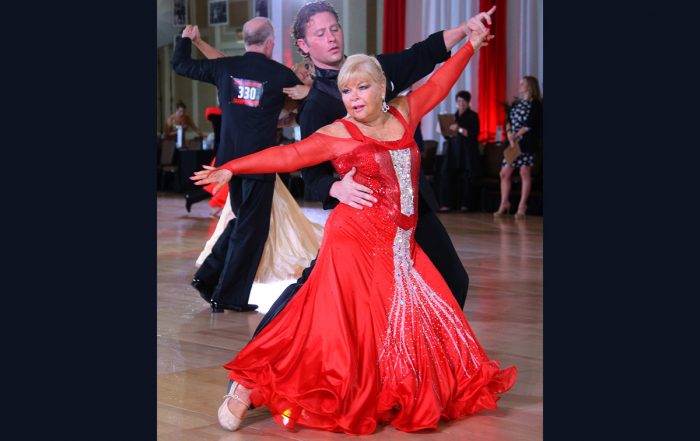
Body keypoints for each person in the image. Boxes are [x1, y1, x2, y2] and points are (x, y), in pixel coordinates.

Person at [193, 22, 516, 435]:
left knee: (406, 322)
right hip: (354, 241)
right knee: (325, 328)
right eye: (347, 91)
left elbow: (438, 83)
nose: (354, 98)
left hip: (399, 244)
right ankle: (247, 388)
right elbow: (287, 155)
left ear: (382, 88)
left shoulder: (404, 112)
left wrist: (471, 44)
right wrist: (231, 168)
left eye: (362, 88)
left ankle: (387, 390)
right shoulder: (338, 133)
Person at [188, 1, 495, 330]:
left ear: (377, 86)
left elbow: (425, 57)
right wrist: (334, 186)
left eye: (334, 28)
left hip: (411, 205)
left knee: (452, 281)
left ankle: (430, 354)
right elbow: (298, 162)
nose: (332, 36)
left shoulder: (375, 72)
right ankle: (269, 348)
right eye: (320, 33)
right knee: (318, 290)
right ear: (304, 46)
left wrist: (467, 34)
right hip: (364, 213)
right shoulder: (316, 105)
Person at [172, 17, 303, 313]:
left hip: (230, 163)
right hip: (259, 163)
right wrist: (304, 91)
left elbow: (180, 65)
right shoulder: (280, 75)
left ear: (245, 40)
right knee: (251, 228)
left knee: (243, 222)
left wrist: (186, 38)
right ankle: (228, 295)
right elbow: (305, 103)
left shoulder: (226, 68)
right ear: (269, 43)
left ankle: (208, 278)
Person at [196, 174, 324, 283]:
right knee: (241, 218)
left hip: (259, 172)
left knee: (264, 217)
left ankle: (243, 264)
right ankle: (237, 264)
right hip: (248, 173)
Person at [494, 76, 542, 219]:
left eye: (523, 83)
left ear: (530, 86)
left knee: (524, 172)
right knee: (504, 173)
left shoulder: (536, 104)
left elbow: (531, 123)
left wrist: (516, 135)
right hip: (513, 144)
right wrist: (509, 134)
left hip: (526, 143)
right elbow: (507, 119)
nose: (520, 85)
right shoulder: (516, 103)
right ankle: (504, 203)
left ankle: (522, 206)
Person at [437, 90, 480, 212]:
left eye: (464, 101)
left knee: (466, 176)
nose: (461, 104)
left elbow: (473, 134)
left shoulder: (473, 116)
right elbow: (449, 135)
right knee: (446, 175)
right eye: (459, 101)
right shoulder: (453, 116)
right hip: (453, 151)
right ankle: (447, 204)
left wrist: (459, 128)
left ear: (468, 102)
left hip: (467, 152)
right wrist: (443, 130)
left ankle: (465, 205)